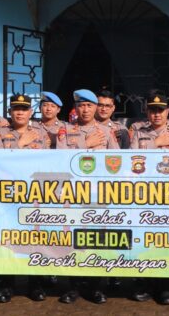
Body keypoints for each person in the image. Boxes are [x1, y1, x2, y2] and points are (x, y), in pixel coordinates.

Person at [57, 89, 118, 304]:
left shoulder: (107, 132)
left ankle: (94, 287)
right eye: (81, 105)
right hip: (73, 194)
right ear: (76, 107)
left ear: (95, 107)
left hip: (99, 194)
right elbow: (59, 157)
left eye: (89, 105)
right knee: (73, 241)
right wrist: (86, 144)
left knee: (96, 240)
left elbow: (117, 160)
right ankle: (72, 287)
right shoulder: (65, 130)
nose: (85, 109)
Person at [128, 91, 169, 304]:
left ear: (167, 111)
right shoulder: (138, 132)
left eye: (160, 110)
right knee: (143, 239)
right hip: (143, 195)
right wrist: (156, 144)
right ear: (147, 111)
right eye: (152, 110)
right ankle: (143, 283)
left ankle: (166, 287)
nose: (156, 114)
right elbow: (129, 159)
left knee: (165, 240)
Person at [0, 94, 51, 303]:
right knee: (10, 238)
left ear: (30, 112)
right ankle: (7, 285)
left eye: (24, 109)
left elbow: (46, 163)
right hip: (9, 196)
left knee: (35, 239)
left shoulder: (41, 135)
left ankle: (36, 283)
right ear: (10, 112)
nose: (19, 112)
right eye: (16, 108)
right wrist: (21, 145)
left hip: (34, 194)